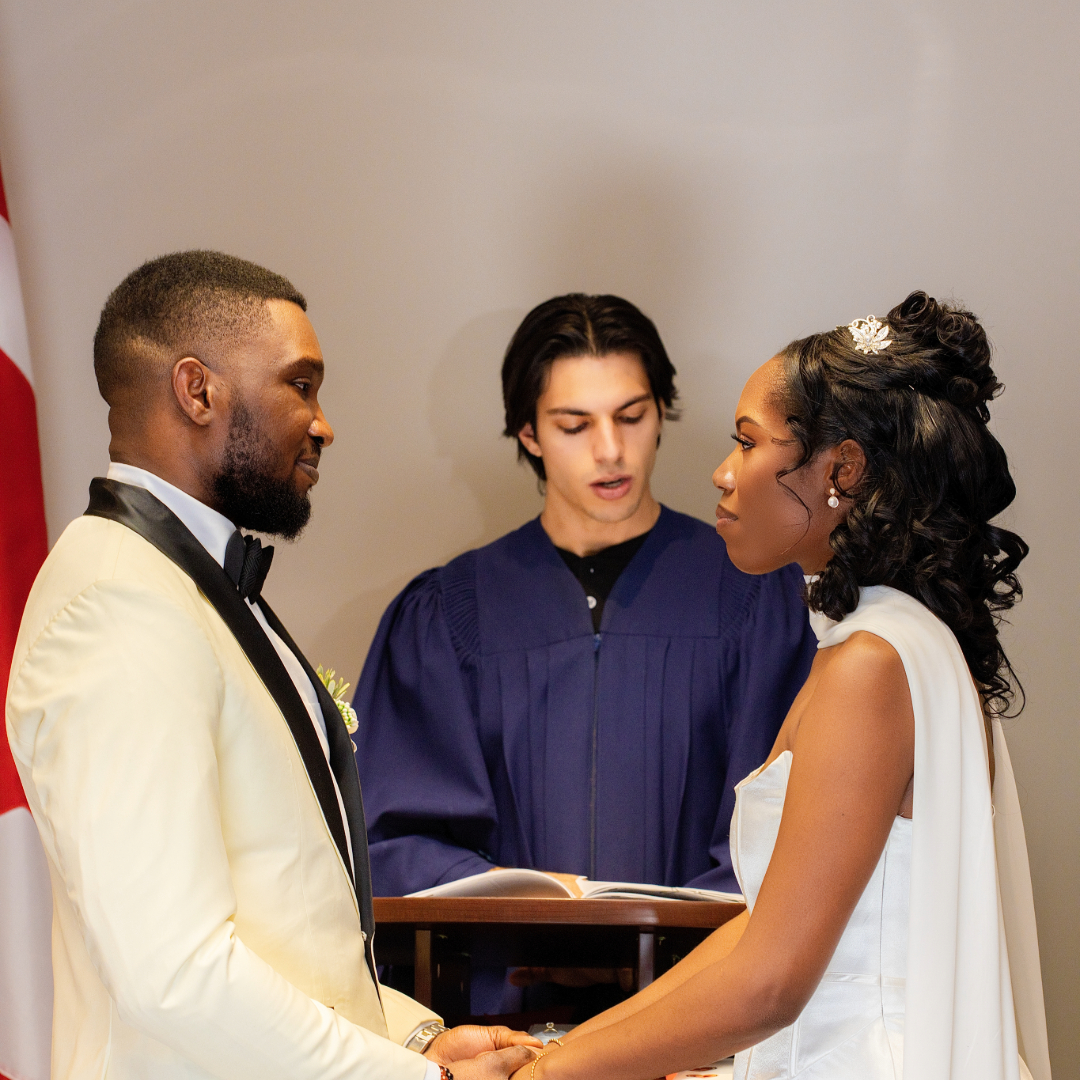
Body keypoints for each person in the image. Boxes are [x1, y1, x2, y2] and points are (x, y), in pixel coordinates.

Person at [5, 252, 539, 1080]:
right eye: (301, 385)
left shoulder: (195, 587)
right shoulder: (117, 603)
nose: (324, 424)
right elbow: (173, 973)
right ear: (198, 390)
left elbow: (286, 923)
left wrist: (411, 1038)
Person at [508, 292, 1051, 1080]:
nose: (723, 473)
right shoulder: (887, 643)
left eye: (747, 442)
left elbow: (769, 985)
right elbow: (763, 930)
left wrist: (547, 1078)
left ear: (841, 470)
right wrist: (559, 1051)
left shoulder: (869, 665)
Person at [353, 293, 816, 1015]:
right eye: (574, 425)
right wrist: (539, 925)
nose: (610, 450)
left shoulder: (754, 596)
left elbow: (790, 824)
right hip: (500, 1022)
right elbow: (395, 839)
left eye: (631, 416)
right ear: (529, 433)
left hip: (702, 1015)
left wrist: (665, 954)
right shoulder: (449, 613)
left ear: (660, 413)